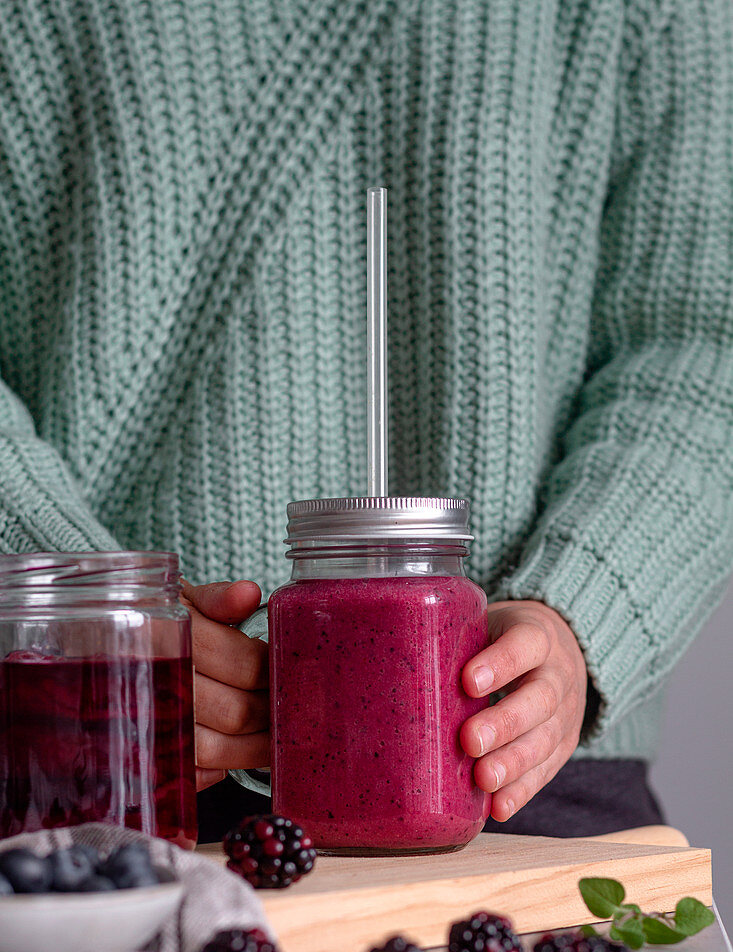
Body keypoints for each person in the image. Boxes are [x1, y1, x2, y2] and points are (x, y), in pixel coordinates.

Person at [0, 0, 730, 842]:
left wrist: (578, 616)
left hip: (515, 775)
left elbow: (698, 343)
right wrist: (79, 611)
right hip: (83, 757)